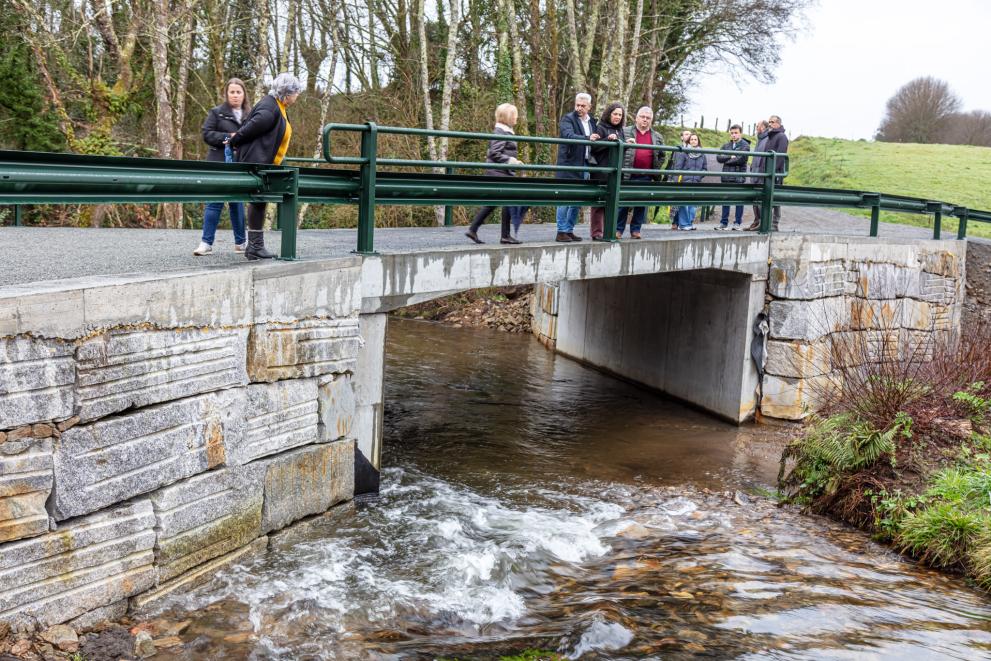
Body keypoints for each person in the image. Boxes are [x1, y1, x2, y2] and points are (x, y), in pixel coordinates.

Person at [228, 73, 302, 260]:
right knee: (258, 201)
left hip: (265, 163)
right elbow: (249, 128)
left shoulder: (279, 106)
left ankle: (255, 246)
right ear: (287, 93)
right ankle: (254, 247)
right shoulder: (270, 109)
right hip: (257, 162)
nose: (297, 96)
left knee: (259, 202)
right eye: (296, 92)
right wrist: (234, 141)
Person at [194, 78, 249, 256]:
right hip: (218, 163)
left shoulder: (251, 114)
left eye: (238, 92)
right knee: (214, 202)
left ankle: (241, 243)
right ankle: (206, 243)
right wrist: (228, 137)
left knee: (237, 203)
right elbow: (207, 134)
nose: (235, 95)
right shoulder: (216, 113)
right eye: (231, 92)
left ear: (243, 94)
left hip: (240, 163)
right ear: (226, 94)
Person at [465, 103, 524, 245]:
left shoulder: (504, 131)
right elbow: (495, 153)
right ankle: (505, 235)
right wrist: (511, 161)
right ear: (508, 117)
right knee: (509, 201)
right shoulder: (501, 132)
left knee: (493, 202)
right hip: (499, 172)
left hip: (500, 171)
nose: (517, 118)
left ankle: (473, 229)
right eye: (515, 115)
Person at [617, 106, 664, 239]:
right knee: (622, 203)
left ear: (651, 120)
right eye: (642, 117)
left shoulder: (657, 136)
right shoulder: (625, 131)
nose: (645, 120)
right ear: (636, 118)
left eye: (648, 118)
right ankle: (618, 229)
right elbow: (617, 149)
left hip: (646, 175)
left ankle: (635, 230)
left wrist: (655, 167)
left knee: (641, 204)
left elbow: (662, 155)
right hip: (627, 173)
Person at [554, 93, 595, 242]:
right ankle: (561, 231)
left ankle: (569, 230)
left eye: (583, 106)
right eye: (577, 105)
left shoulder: (592, 123)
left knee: (577, 200)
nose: (579, 108)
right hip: (569, 165)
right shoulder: (567, 119)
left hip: (584, 165)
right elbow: (568, 136)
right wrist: (587, 138)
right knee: (565, 198)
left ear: (589, 107)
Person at [588, 102, 626, 240]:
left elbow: (622, 148)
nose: (617, 117)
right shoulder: (600, 127)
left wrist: (627, 143)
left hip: (615, 172)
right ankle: (597, 232)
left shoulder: (621, 130)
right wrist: (607, 140)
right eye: (615, 114)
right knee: (599, 203)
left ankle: (608, 231)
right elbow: (594, 148)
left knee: (612, 202)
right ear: (609, 114)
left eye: (620, 115)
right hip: (601, 171)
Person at [746, 115, 788, 231]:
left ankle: (774, 224)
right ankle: (764, 222)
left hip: (775, 174)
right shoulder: (769, 137)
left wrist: (772, 172)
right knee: (765, 197)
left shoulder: (782, 137)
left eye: (772, 122)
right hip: (765, 173)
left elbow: (780, 157)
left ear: (778, 123)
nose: (770, 124)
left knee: (775, 198)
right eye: (769, 122)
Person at [715, 124, 750, 230]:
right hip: (726, 177)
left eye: (736, 133)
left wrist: (727, 160)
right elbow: (719, 158)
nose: (733, 135)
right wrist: (731, 156)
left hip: (738, 177)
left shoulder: (745, 146)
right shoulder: (726, 145)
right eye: (732, 133)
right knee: (725, 200)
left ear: (740, 133)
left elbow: (741, 159)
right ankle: (723, 223)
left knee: (739, 201)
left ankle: (737, 223)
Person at [671, 133, 707, 230]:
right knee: (684, 204)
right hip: (685, 182)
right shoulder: (684, 153)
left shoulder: (702, 154)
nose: (693, 141)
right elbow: (678, 167)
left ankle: (689, 223)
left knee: (693, 205)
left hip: (696, 182)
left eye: (695, 139)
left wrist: (699, 177)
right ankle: (684, 224)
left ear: (698, 141)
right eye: (691, 139)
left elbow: (705, 168)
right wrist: (684, 177)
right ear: (688, 141)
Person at [665, 129, 693, 227]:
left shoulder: (695, 149)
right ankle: (675, 222)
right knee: (675, 200)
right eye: (686, 134)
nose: (688, 136)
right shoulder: (677, 149)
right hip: (676, 177)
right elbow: (672, 164)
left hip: (688, 178)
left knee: (686, 201)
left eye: (690, 134)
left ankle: (686, 222)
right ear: (681, 137)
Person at [745, 120, 770, 230]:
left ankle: (762, 222)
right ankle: (756, 220)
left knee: (760, 199)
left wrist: (762, 172)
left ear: (763, 127)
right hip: (754, 173)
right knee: (754, 199)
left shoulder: (768, 139)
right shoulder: (760, 139)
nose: (756, 127)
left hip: (761, 174)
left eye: (758, 125)